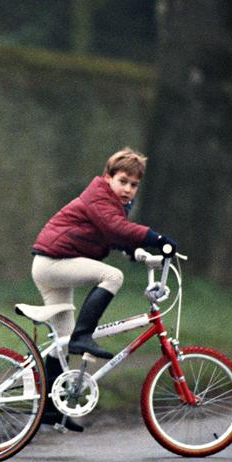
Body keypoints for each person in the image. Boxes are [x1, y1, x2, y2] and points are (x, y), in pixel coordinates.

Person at [31, 147, 177, 432]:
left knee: (61, 342)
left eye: (134, 185)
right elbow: (115, 228)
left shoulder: (112, 203)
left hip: (53, 264)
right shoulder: (99, 195)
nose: (128, 189)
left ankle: (49, 410)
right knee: (112, 276)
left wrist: (141, 254)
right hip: (53, 263)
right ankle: (84, 336)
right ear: (108, 177)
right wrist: (156, 238)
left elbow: (113, 236)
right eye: (123, 181)